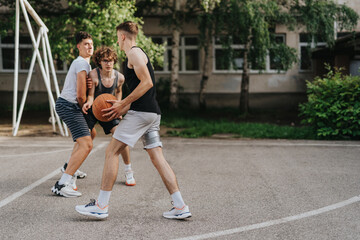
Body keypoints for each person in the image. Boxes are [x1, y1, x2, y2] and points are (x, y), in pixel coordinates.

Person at [75, 21, 191, 219]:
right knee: (157, 158)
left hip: (142, 114)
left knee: (112, 152)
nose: (117, 42)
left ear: (122, 36)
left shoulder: (134, 53)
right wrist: (123, 107)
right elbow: (145, 91)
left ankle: (101, 206)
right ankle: (180, 206)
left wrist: (123, 103)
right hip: (151, 113)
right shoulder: (136, 54)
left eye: (117, 37)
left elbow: (147, 83)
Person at [82, 46, 135, 186]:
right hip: (94, 108)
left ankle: (129, 170)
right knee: (83, 136)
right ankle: (71, 167)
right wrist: (88, 102)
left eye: (111, 61)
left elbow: (118, 93)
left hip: (108, 110)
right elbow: (91, 95)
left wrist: (119, 107)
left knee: (120, 136)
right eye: (105, 60)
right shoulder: (93, 75)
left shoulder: (120, 77)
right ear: (99, 61)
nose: (108, 63)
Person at [51, 31, 94, 197]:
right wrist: (86, 109)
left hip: (69, 105)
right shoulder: (81, 63)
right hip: (69, 105)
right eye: (85, 44)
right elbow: (80, 96)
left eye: (91, 44)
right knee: (86, 144)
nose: (89, 47)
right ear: (78, 46)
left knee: (91, 133)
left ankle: (68, 165)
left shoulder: (82, 64)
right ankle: (62, 184)